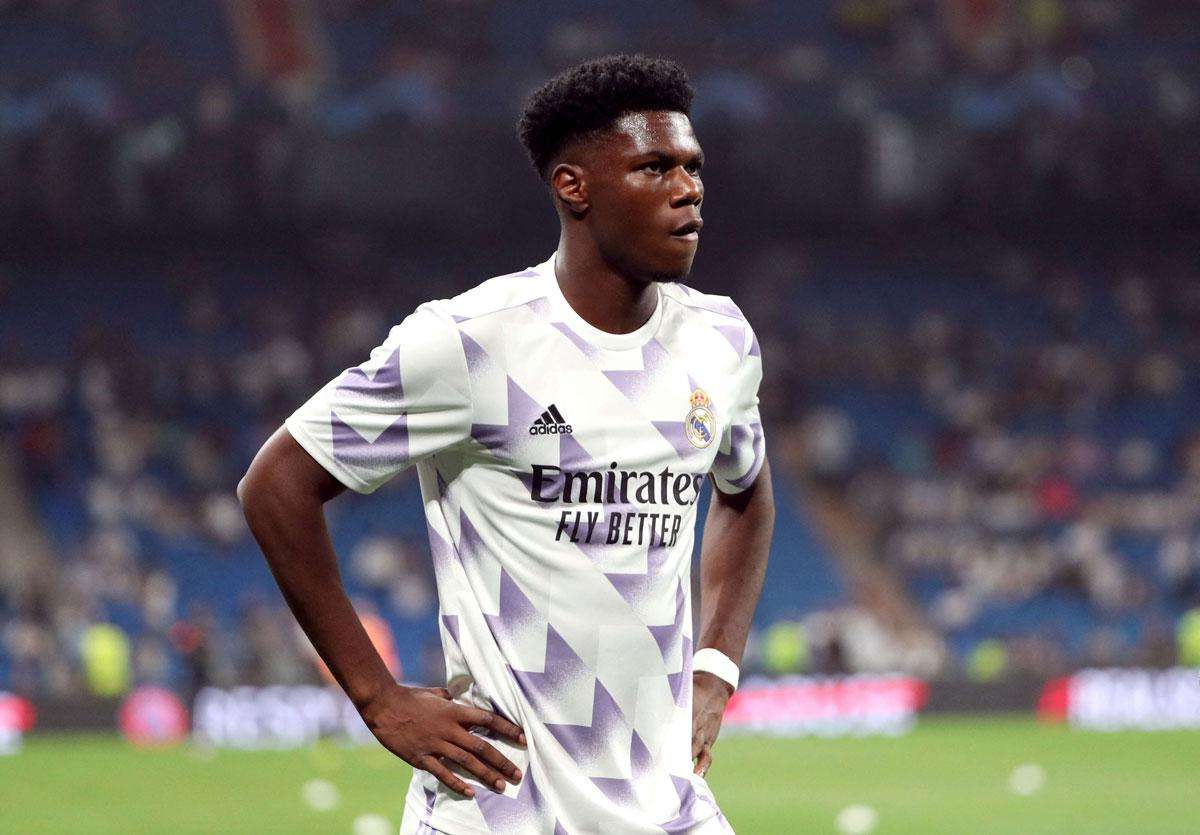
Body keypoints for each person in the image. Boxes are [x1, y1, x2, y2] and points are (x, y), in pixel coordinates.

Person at [239, 53, 774, 834]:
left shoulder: (720, 339)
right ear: (574, 187)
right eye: (654, 167)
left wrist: (715, 670)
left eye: (692, 166)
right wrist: (379, 697)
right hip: (498, 809)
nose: (688, 188)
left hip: (666, 806)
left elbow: (747, 492)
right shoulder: (469, 343)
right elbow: (276, 484)